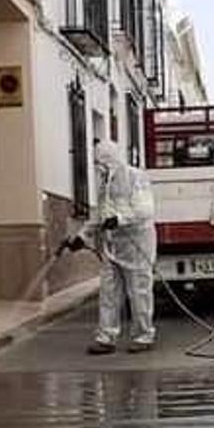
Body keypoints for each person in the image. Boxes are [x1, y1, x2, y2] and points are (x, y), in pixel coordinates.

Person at [65, 139, 157, 354]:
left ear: (111, 160)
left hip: (137, 246)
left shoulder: (136, 177)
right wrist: (83, 235)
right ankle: (106, 337)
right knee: (109, 292)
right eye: (97, 164)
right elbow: (100, 214)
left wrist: (120, 219)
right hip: (113, 246)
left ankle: (144, 336)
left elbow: (145, 209)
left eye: (101, 163)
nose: (99, 168)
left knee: (139, 292)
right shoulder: (104, 183)